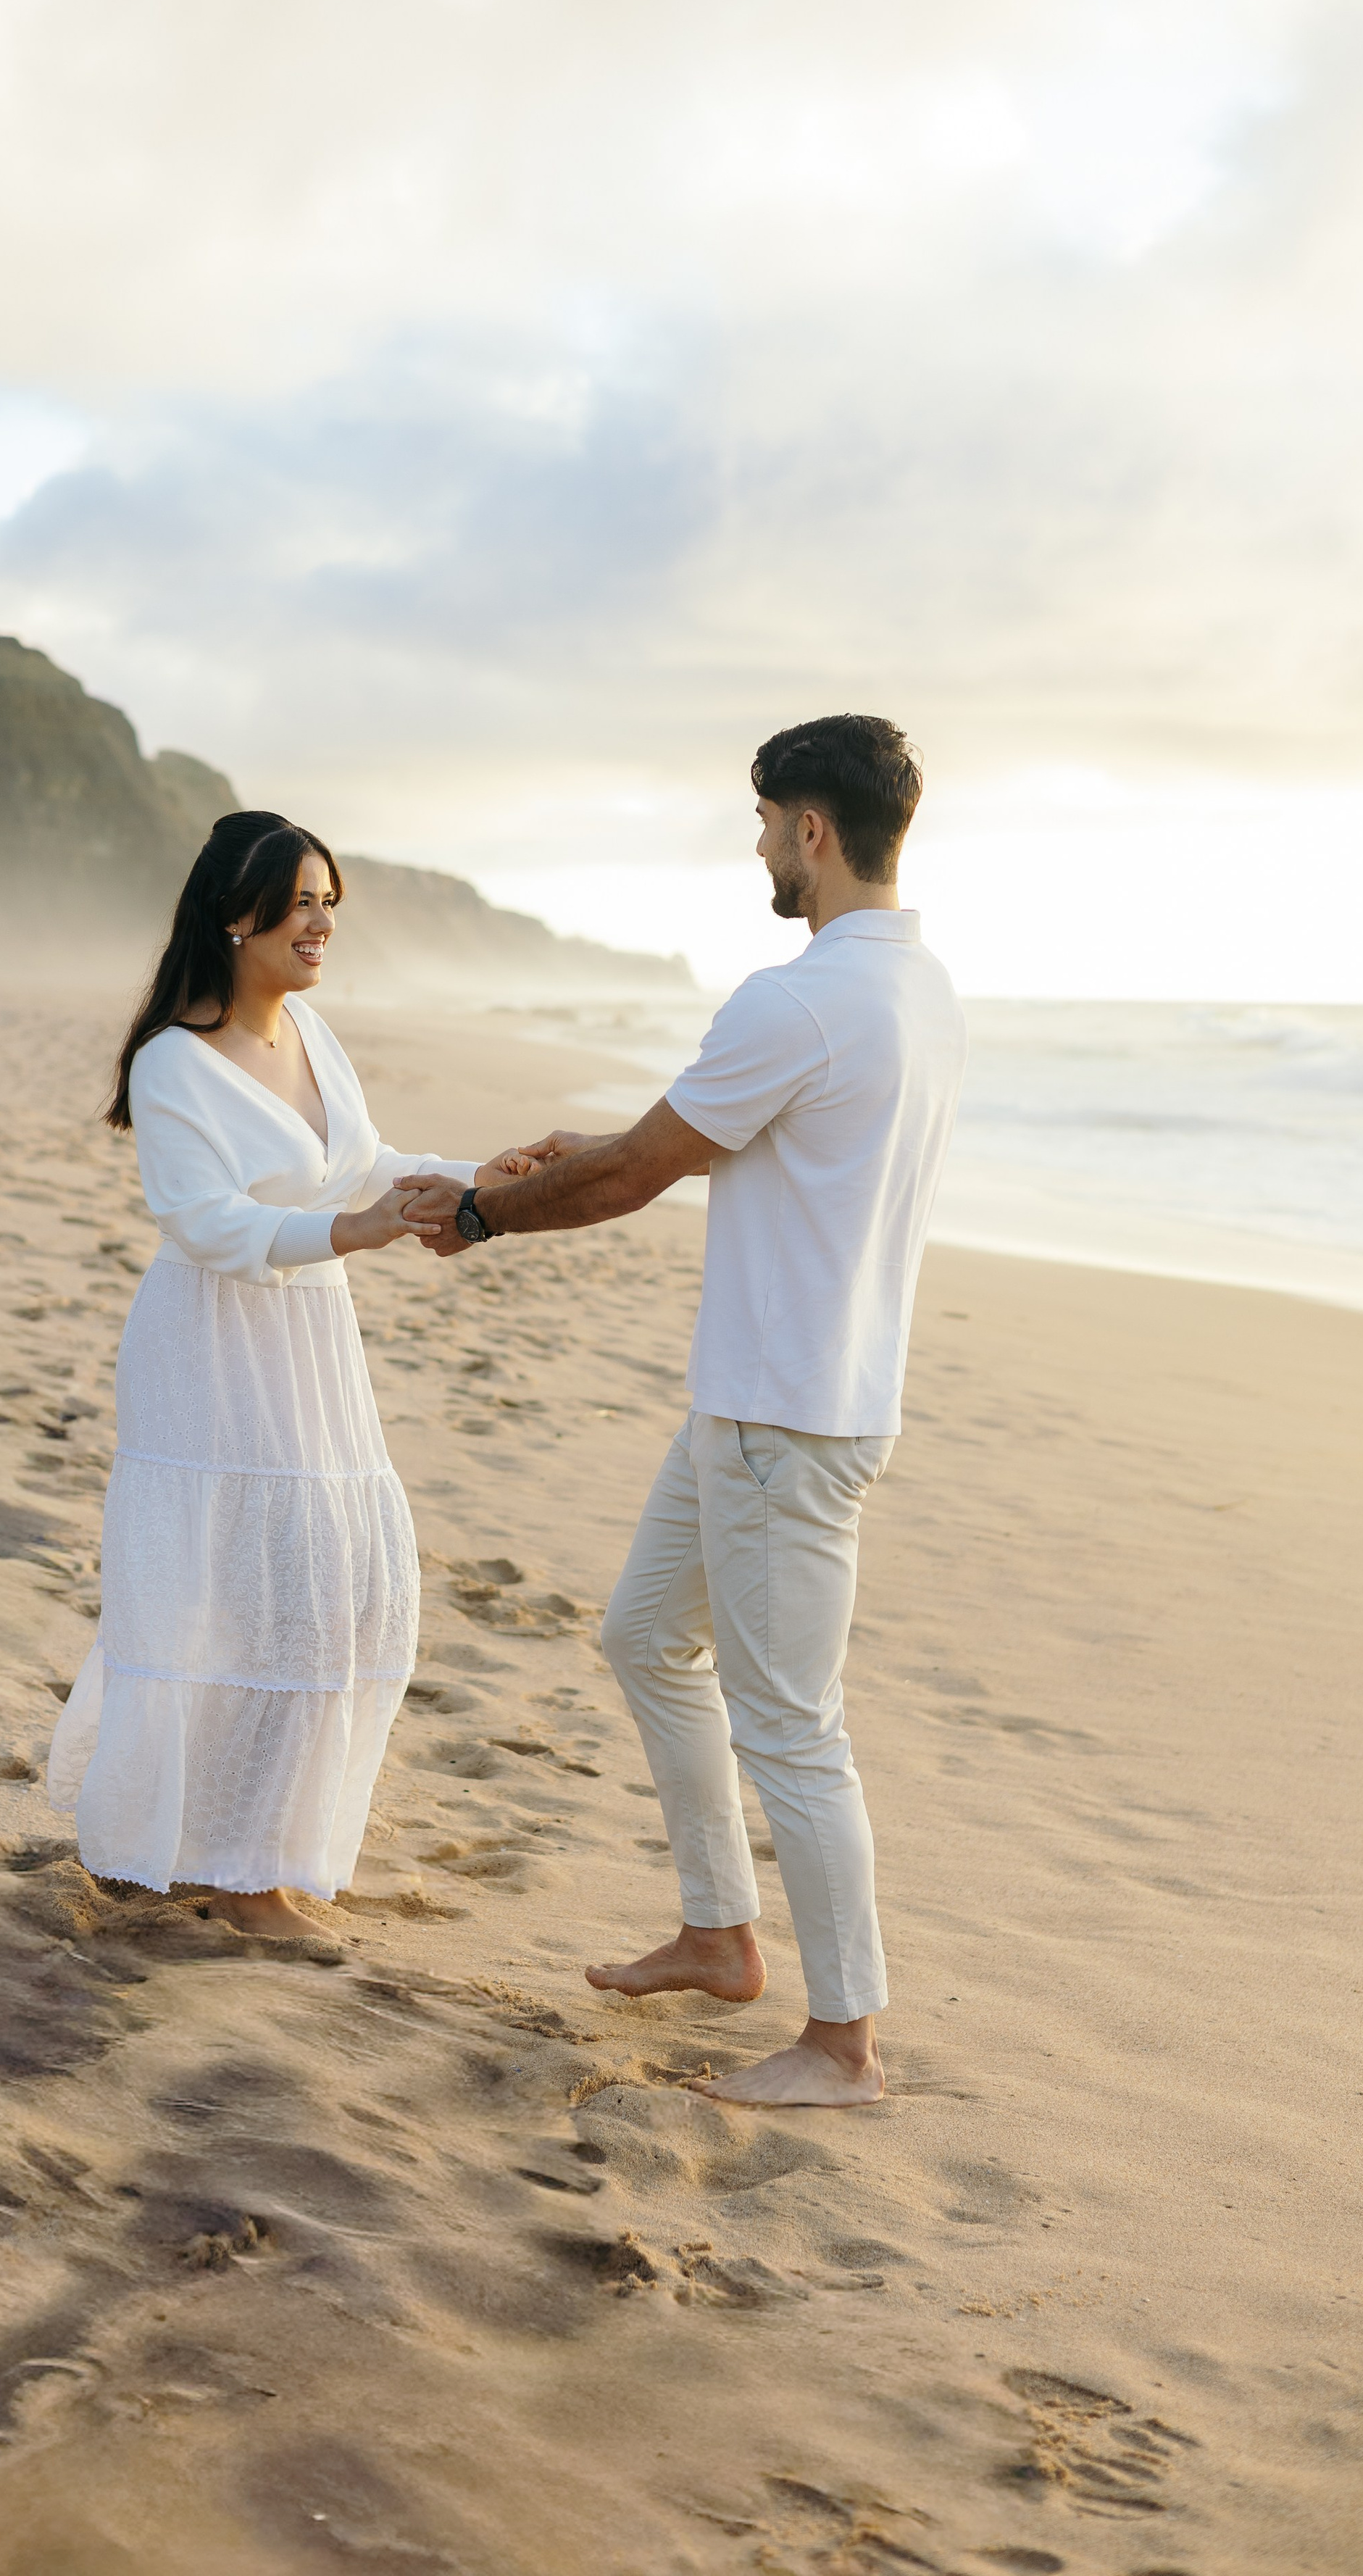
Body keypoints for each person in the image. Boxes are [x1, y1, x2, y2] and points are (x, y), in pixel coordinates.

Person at [401, 715, 967, 2105]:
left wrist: (482, 1213)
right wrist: (578, 1149)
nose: (761, 847)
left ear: (813, 831)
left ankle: (845, 2045)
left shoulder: (800, 997)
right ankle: (720, 1936)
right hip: (757, 1406)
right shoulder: (918, 991)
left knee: (793, 1729)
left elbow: (639, 1178)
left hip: (793, 1422)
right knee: (646, 1637)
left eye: (768, 822)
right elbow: (700, 1142)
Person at [46, 812, 530, 1939]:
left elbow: (361, 1165)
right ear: (234, 914)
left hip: (309, 1341)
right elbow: (206, 1223)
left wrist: (480, 1176)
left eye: (329, 903)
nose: (321, 924)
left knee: (330, 1589)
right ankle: (233, 1872)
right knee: (227, 1590)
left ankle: (227, 1848)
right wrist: (349, 1235)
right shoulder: (173, 1060)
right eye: (301, 901)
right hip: (213, 1340)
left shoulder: (314, 1036)